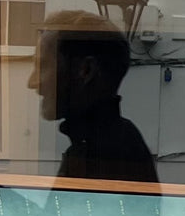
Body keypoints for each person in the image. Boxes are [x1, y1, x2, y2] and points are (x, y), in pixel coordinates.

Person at [29, 10, 158, 184]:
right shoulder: (108, 142)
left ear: (86, 70)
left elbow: (65, 212)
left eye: (43, 65)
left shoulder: (104, 154)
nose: (32, 82)